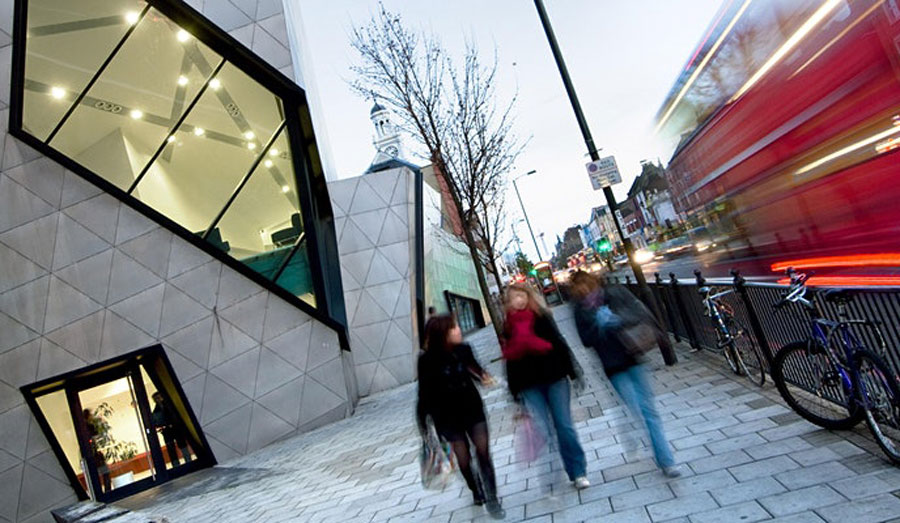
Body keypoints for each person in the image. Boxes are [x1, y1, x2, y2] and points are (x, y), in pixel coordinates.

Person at [569, 271, 681, 478]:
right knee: (636, 408)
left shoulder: (614, 293)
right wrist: (599, 326)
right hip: (613, 365)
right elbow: (585, 339)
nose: (585, 290)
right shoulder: (579, 310)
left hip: (633, 355)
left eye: (586, 285)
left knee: (648, 409)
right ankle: (651, 449)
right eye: (579, 288)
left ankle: (666, 460)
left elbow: (640, 313)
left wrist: (617, 320)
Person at [416, 315, 505, 519]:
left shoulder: (464, 349)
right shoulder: (426, 360)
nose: (458, 330)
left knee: (483, 452)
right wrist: (423, 424)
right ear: (443, 333)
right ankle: (476, 489)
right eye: (454, 328)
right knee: (463, 460)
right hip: (445, 418)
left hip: (472, 409)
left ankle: (492, 498)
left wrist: (485, 378)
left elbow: (476, 371)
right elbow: (423, 393)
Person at [502, 283, 589, 490]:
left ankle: (578, 472)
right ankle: (553, 475)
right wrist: (514, 392)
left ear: (528, 296)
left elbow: (559, 343)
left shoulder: (542, 316)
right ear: (509, 302)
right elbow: (510, 361)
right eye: (515, 297)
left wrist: (573, 371)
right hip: (529, 384)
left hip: (555, 377)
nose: (520, 300)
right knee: (543, 429)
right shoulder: (507, 326)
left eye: (522, 295)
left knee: (564, 426)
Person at [151, 392, 192, 467]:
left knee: (182, 444)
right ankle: (176, 465)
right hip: (167, 431)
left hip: (176, 428)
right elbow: (155, 421)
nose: (158, 400)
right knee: (171, 448)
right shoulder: (156, 411)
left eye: (159, 397)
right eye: (156, 399)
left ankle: (188, 460)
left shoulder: (170, 405)